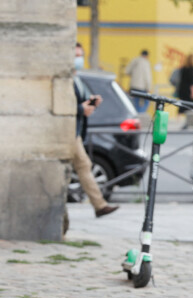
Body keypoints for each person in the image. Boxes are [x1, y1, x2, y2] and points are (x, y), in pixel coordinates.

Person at [73, 43, 119, 218]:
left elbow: (82, 101)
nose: (78, 59)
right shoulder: (66, 78)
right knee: (83, 166)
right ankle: (99, 205)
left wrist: (92, 102)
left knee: (79, 168)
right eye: (76, 55)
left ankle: (99, 205)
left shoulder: (78, 78)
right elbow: (63, 105)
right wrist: (80, 109)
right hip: (68, 132)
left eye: (80, 55)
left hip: (75, 131)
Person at [177, 54, 193, 128]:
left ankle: (180, 123)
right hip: (189, 93)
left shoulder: (184, 69)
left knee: (182, 108)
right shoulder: (191, 70)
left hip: (183, 92)